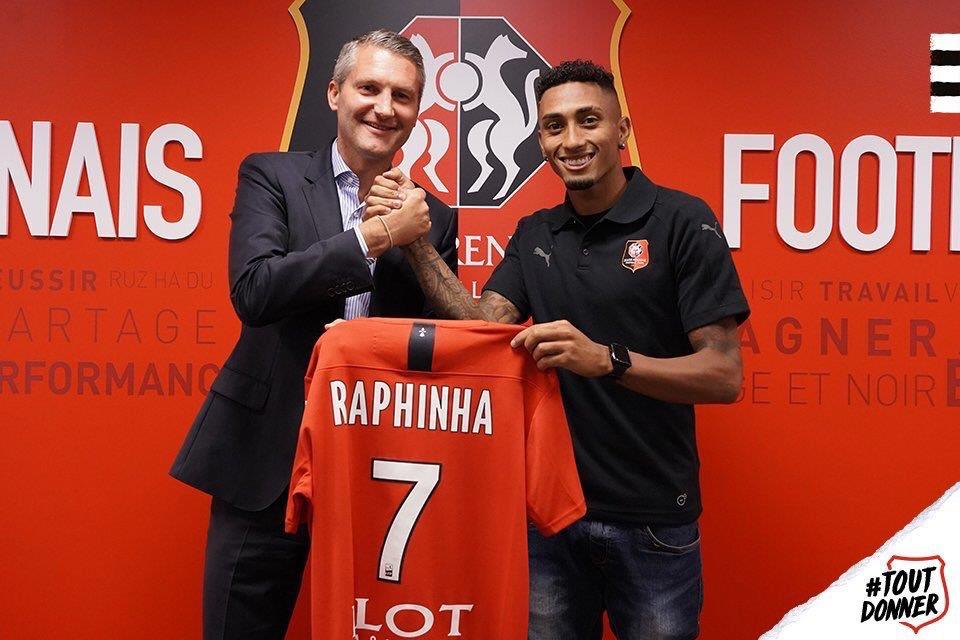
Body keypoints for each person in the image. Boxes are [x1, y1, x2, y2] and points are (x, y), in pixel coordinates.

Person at [365, 60, 749, 639]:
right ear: (541, 140)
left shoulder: (681, 221)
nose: (571, 140)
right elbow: (480, 326)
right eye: (554, 126)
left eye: (588, 120)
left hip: (652, 521)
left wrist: (608, 360)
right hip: (550, 516)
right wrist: (416, 242)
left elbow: (723, 374)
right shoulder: (536, 232)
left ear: (622, 130)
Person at [169, 30, 457, 640]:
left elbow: (441, 345)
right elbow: (255, 291)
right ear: (333, 93)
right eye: (369, 88)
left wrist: (416, 241)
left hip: (379, 469)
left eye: (402, 96)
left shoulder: (433, 219)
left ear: (417, 114)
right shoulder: (271, 175)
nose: (384, 108)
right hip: (265, 459)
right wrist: (374, 238)